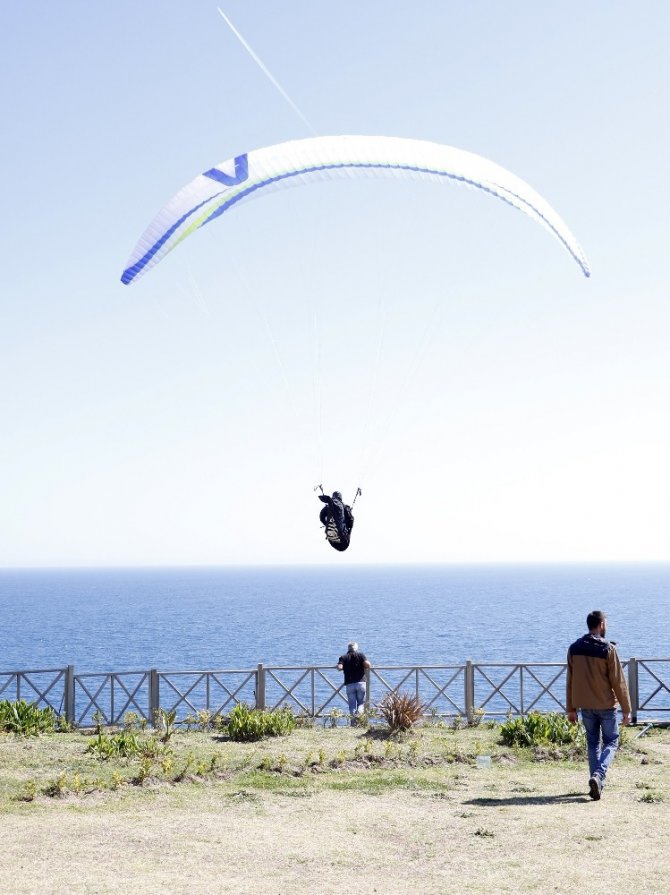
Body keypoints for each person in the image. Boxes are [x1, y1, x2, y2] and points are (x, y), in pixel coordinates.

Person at [566, 610, 632, 800]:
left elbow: (570, 680)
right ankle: (599, 775)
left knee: (593, 743)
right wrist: (627, 711)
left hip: (585, 706)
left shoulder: (574, 648)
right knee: (611, 741)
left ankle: (596, 784)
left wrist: (571, 708)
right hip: (606, 705)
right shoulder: (608, 650)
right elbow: (618, 682)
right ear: (601, 624)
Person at [337, 641, 371, 723]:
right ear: (356, 649)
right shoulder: (361, 655)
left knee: (352, 705)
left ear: (348, 649)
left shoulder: (343, 657)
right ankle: (359, 717)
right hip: (361, 683)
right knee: (361, 703)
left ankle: (353, 723)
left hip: (350, 684)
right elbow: (368, 664)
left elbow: (339, 667)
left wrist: (339, 665)